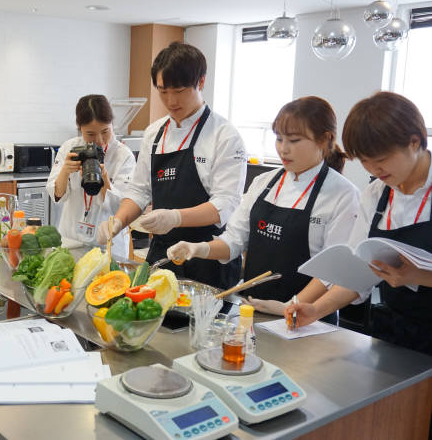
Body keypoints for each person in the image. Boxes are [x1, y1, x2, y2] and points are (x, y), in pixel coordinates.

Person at [167, 97, 360, 317]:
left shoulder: (342, 195)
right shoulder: (263, 183)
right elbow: (234, 240)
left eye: (294, 141)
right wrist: (198, 249)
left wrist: (293, 304)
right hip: (253, 309)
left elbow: (331, 271)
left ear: (324, 140)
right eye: (279, 139)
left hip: (307, 318)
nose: (283, 149)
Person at [286, 92, 432, 355]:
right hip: (396, 335)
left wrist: (418, 276)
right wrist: (316, 310)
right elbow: (358, 274)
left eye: (382, 159)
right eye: (365, 161)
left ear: (414, 142)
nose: (374, 170)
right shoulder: (376, 194)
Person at [97, 42, 246, 288]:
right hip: (163, 257)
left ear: (201, 82)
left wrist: (175, 217)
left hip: (206, 259)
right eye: (162, 91)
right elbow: (139, 190)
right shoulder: (154, 133)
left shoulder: (224, 135)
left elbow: (225, 205)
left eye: (178, 90)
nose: (170, 100)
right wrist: (118, 222)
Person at [47, 94, 136, 258]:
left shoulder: (123, 156)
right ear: (80, 129)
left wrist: (104, 180)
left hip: (108, 245)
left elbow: (123, 207)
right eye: (90, 134)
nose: (100, 141)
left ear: (112, 125)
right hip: (71, 240)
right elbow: (57, 195)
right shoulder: (70, 148)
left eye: (105, 131)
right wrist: (65, 171)